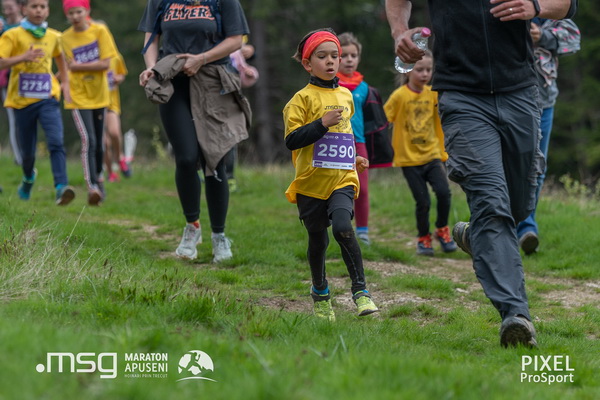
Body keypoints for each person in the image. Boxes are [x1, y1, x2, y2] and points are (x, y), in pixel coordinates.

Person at [386, 0, 577, 347]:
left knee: (519, 206)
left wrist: (535, 5)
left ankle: (480, 237)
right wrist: (399, 31)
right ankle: (515, 314)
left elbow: (567, 4)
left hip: (519, 90)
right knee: (490, 202)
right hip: (461, 96)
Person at [138, 0, 251, 262]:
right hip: (172, 80)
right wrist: (151, 67)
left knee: (216, 159)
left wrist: (202, 58)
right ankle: (192, 227)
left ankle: (219, 235)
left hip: (213, 80)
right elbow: (151, 37)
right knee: (187, 158)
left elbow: (236, 40)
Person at [283, 28, 379, 321]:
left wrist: (354, 158)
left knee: (342, 228)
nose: (330, 61)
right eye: (322, 56)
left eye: (334, 56)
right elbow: (292, 140)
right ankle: (320, 292)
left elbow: (344, 136)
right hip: (311, 183)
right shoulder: (300, 99)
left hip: (341, 179)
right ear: (307, 64)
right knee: (318, 241)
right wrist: (321, 123)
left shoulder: (346, 96)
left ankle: (361, 292)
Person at [0, 0, 75, 205]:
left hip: (47, 98)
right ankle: (28, 178)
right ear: (24, 9)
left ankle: (61, 187)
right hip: (22, 101)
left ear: (48, 10)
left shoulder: (54, 36)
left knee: (56, 141)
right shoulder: (13, 35)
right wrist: (23, 57)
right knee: (28, 152)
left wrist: (65, 84)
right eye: (34, 6)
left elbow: (61, 60)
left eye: (43, 6)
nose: (39, 10)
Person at [517, 18, 580, 255]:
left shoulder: (553, 11)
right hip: (508, 99)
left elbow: (573, 39)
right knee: (505, 164)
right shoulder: (504, 6)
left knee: (537, 167)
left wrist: (542, 36)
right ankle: (496, 225)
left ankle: (526, 228)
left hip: (544, 103)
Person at [384, 50, 457, 256]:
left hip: (432, 155)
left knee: (444, 193)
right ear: (408, 70)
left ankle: (442, 229)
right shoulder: (399, 96)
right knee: (423, 202)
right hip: (408, 159)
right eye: (419, 70)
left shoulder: (434, 94)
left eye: (428, 69)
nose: (425, 74)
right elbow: (383, 120)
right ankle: (423, 238)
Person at [61, 0, 118, 206]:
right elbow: (65, 67)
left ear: (87, 11)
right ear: (66, 15)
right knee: (89, 140)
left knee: (100, 144)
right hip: (78, 97)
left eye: (79, 11)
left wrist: (78, 67)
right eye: (71, 13)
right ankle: (91, 187)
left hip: (100, 94)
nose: (75, 16)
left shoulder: (100, 31)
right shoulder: (64, 38)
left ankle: (99, 179)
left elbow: (105, 63)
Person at [336, 32, 373, 245]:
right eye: (345, 55)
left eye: (354, 55)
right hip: (336, 141)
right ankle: (338, 228)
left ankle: (363, 232)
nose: (350, 60)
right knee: (337, 187)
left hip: (359, 142)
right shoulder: (330, 83)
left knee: (362, 188)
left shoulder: (364, 87)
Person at [0, 0, 24, 166]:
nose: (7, 11)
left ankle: (27, 153)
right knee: (13, 118)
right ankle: (19, 158)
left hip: (26, 77)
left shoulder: (27, 25)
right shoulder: (2, 26)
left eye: (10, 7)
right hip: (7, 78)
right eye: (5, 8)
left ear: (19, 7)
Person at [103, 51, 132, 183]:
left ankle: (120, 157)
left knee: (114, 132)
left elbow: (122, 74)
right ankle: (110, 173)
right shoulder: (89, 57)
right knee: (104, 143)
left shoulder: (115, 56)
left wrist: (118, 78)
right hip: (94, 104)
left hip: (111, 103)